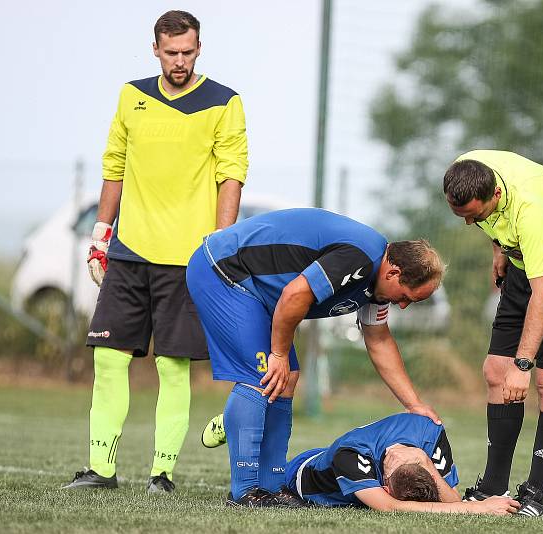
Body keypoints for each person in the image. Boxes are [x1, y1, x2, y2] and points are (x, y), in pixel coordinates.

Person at [63, 10, 248, 493]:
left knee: (172, 366)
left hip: (187, 260)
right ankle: (100, 470)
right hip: (127, 253)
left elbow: (231, 175)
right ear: (156, 50)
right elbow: (114, 166)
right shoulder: (132, 95)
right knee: (107, 359)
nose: (180, 61)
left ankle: (161, 474)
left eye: (188, 52)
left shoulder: (224, 102)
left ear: (199, 48)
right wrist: (102, 234)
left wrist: (220, 246)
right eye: (171, 53)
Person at [185, 207, 445, 507]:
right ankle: (244, 490)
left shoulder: (378, 284)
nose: (402, 306)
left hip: (255, 290)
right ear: (393, 273)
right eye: (406, 297)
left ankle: (271, 485)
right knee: (264, 374)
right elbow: (295, 295)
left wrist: (414, 405)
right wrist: (279, 354)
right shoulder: (361, 258)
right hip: (223, 271)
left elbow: (379, 340)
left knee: (288, 379)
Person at [442, 150, 543, 517]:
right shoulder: (467, 169)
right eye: (462, 216)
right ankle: (493, 486)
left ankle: (534, 493)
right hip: (523, 262)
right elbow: (490, 221)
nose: (470, 224)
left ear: (496, 196)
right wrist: (501, 247)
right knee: (494, 372)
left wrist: (523, 364)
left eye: (475, 215)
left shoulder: (530, 209)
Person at [202, 412, 519, 514]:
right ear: (384, 483)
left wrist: (428, 467)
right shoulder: (352, 455)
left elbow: (447, 496)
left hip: (344, 461)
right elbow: (389, 507)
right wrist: (476, 507)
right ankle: (235, 419)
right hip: (305, 474)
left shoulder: (431, 434)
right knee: (262, 477)